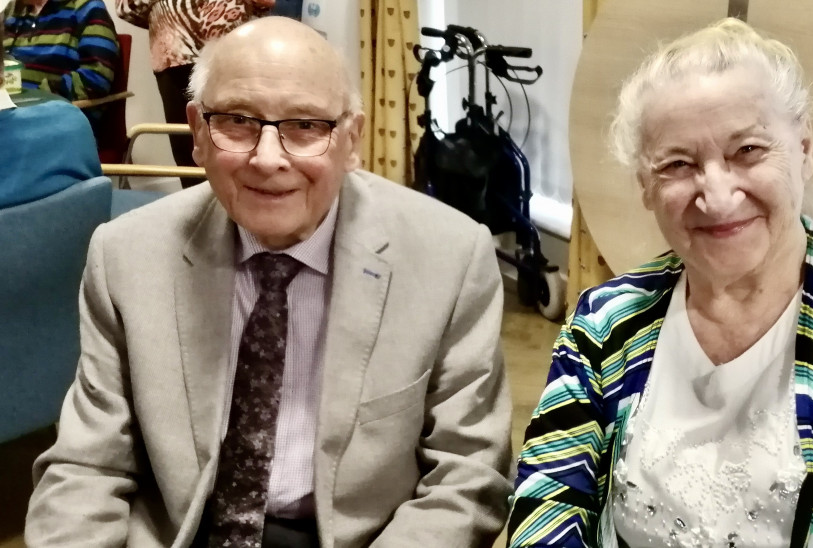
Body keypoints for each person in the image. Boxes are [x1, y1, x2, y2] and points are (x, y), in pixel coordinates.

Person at [508, 18, 813, 548]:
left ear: (805, 149)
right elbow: (547, 497)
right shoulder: (606, 320)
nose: (716, 196)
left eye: (748, 151)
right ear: (646, 187)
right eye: (678, 164)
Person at [25, 16, 512, 548]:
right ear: (198, 133)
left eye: (306, 126)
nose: (268, 158)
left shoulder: (450, 257)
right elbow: (85, 470)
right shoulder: (125, 256)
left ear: (351, 140)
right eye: (238, 120)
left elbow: (466, 480)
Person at [115, 0, 274, 187]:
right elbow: (125, 8)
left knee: (241, 141)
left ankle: (245, 209)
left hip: (233, 53)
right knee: (189, 151)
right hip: (174, 52)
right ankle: (201, 212)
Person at [0, 20, 102, 207]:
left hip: (51, 122)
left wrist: (44, 93)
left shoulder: (87, 10)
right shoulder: (16, 14)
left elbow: (97, 77)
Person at [2, 0, 119, 128]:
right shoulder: (12, 11)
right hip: (9, 116)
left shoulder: (87, 7)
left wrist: (37, 97)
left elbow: (97, 77)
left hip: (55, 122)